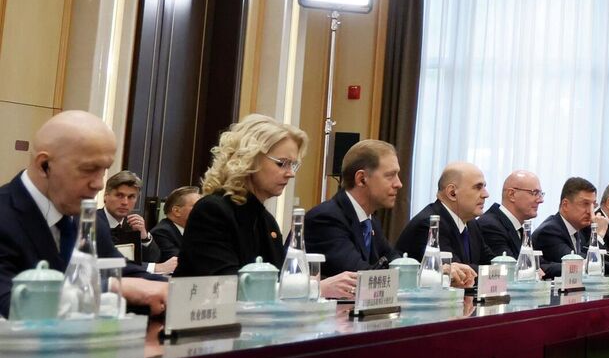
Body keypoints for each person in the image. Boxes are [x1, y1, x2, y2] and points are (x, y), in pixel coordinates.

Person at [0, 111, 168, 316]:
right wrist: (110, 287)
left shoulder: (87, 219)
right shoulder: (5, 215)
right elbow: (10, 303)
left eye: (104, 170)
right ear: (44, 166)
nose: (99, 184)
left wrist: (175, 291)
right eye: (88, 169)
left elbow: (122, 271)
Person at [175, 114, 356, 299]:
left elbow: (277, 283)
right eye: (282, 163)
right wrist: (313, 289)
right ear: (249, 159)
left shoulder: (266, 221)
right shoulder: (212, 211)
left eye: (293, 165)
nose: (291, 174)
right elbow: (226, 288)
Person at [305, 139, 401, 273]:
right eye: (390, 176)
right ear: (361, 179)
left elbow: (397, 263)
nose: (398, 184)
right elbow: (360, 276)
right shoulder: (325, 219)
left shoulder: (370, 222)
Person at [395, 163, 487, 288]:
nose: (486, 194)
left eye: (484, 187)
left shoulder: (471, 223)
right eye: (478, 187)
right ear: (452, 193)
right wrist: (493, 273)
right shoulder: (430, 224)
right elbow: (458, 274)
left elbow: (492, 263)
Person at [100, 170, 173, 272]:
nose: (125, 202)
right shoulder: (92, 221)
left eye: (131, 197)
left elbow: (155, 259)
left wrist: (144, 238)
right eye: (119, 195)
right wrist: (153, 267)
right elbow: (102, 262)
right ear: (105, 196)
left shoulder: (132, 224)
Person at [474, 170, 544, 266]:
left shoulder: (520, 228)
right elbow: (510, 268)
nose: (541, 200)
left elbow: (538, 264)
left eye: (541, 194)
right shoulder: (491, 226)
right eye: (535, 193)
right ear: (512, 195)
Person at [531, 177, 598, 278]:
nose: (590, 211)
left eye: (593, 205)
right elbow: (579, 265)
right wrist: (598, 235)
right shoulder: (549, 231)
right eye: (585, 204)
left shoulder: (581, 230)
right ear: (565, 205)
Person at [151, 186, 199, 262]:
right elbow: (181, 262)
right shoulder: (161, 232)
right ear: (176, 211)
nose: (202, 210)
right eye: (197, 206)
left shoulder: (196, 231)